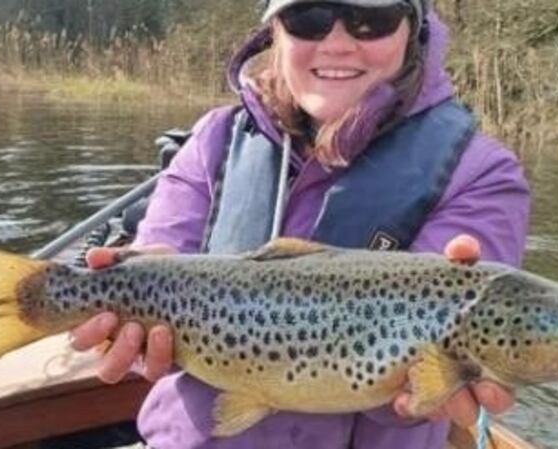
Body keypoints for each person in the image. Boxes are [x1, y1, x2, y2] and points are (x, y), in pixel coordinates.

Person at [70, 0, 530, 448]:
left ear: (414, 28)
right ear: (274, 30)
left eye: (371, 19)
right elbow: (159, 266)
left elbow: (428, 383)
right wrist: (135, 301)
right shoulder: (214, 139)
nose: (337, 44)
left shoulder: (481, 173)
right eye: (309, 17)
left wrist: (439, 383)